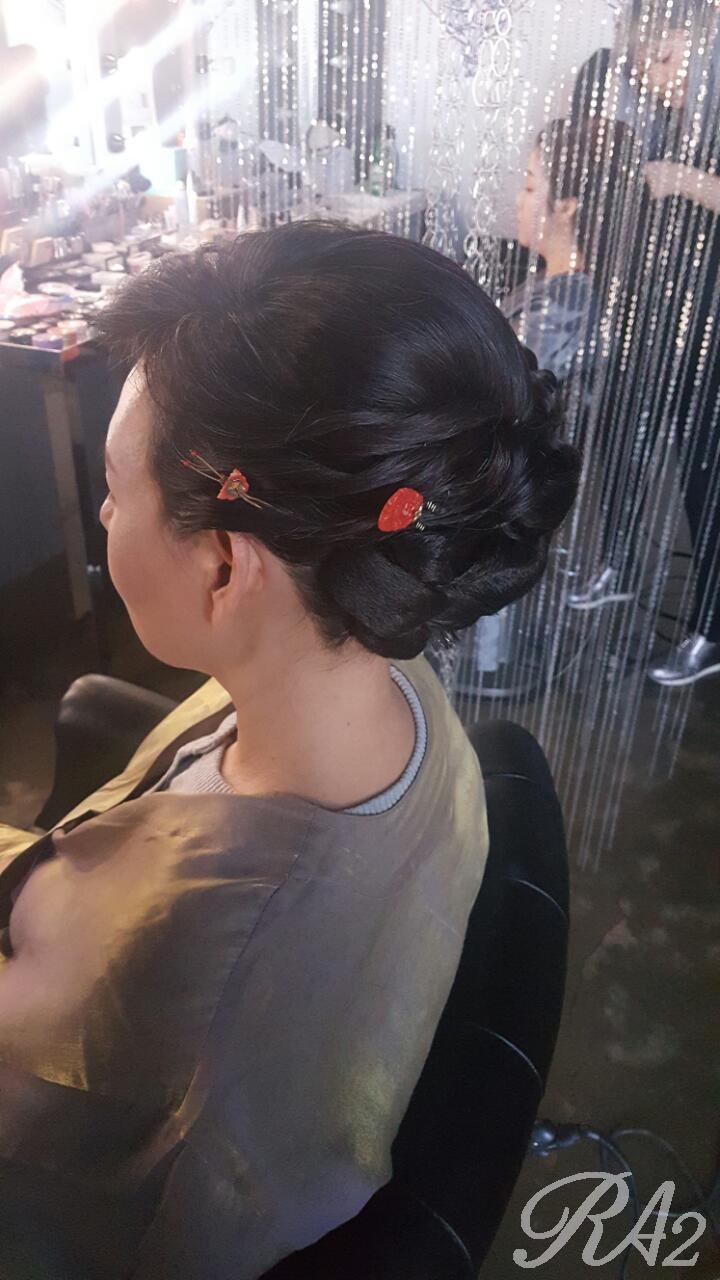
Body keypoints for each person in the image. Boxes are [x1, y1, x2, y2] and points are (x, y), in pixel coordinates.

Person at [0, 220, 579, 1279]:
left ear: (225, 567)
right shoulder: (385, 673)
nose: (103, 509)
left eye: (114, 486)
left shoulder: (160, 1002)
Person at [567, 0, 720, 686]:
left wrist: (685, 182)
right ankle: (622, 563)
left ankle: (711, 628)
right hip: (659, 309)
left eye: (662, 61)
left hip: (711, 323)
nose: (654, 80)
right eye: (643, 66)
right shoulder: (668, 113)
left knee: (703, 473)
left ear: (698, 45)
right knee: (623, 429)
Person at [504, 115, 635, 388]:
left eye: (529, 188)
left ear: (566, 207)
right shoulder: (559, 282)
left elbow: (501, 387)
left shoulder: (566, 305)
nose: (518, 201)